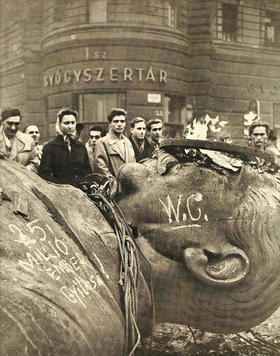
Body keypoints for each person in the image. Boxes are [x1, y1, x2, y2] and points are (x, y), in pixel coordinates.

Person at [39, 108, 91, 187]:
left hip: (82, 193)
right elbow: (44, 175)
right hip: (60, 193)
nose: (70, 126)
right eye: (66, 123)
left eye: (73, 123)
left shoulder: (81, 147)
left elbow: (87, 172)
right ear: (59, 124)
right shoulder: (50, 147)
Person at [94, 108, 135, 195]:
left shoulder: (127, 142)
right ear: (110, 124)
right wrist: (114, 183)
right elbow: (101, 168)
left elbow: (133, 165)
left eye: (122, 121)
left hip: (129, 190)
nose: (119, 124)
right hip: (112, 191)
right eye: (116, 121)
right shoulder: (102, 142)